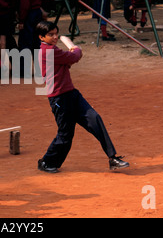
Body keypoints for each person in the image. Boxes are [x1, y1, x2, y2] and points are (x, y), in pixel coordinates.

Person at [36, 21, 129, 173]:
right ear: (41, 37)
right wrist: (75, 48)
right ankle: (46, 161)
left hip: (72, 94)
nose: (55, 37)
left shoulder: (53, 49)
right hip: (59, 99)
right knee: (65, 135)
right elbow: (75, 56)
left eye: (55, 33)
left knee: (94, 118)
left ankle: (113, 158)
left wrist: (70, 57)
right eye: (50, 35)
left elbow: (67, 62)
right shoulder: (48, 51)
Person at [16, 0, 42, 77]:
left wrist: (21, 21)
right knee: (37, 41)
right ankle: (40, 68)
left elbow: (24, 5)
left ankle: (24, 70)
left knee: (25, 42)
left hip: (29, 14)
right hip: (37, 13)